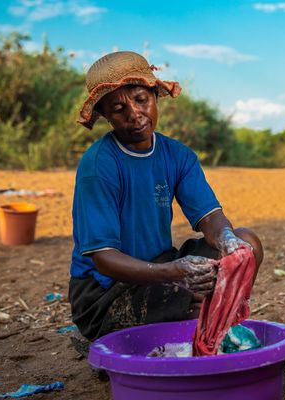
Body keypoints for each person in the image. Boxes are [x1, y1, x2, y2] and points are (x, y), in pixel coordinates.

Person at [68, 51, 264, 353]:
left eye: (141, 100)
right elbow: (103, 259)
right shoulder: (99, 165)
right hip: (105, 293)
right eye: (119, 108)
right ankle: (131, 344)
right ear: (105, 116)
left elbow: (210, 218)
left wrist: (226, 240)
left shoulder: (177, 155)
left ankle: (209, 334)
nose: (134, 114)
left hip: (161, 267)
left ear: (155, 95)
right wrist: (175, 273)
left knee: (247, 243)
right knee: (195, 300)